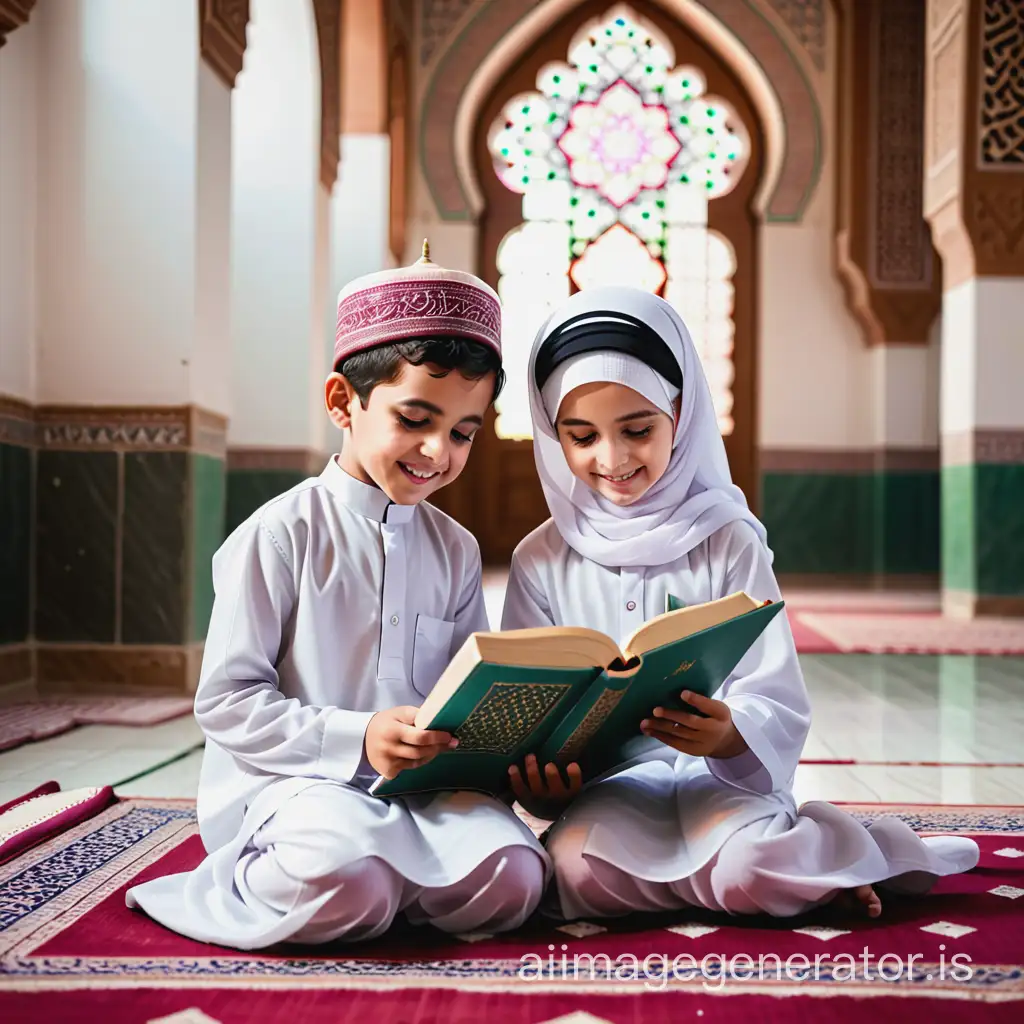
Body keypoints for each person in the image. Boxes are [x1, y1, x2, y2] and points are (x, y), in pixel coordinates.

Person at [502, 285, 978, 922]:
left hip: (719, 775)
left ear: (683, 413)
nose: (611, 459)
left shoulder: (726, 540)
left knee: (751, 870)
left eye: (637, 430)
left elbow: (772, 688)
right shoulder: (541, 558)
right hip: (614, 787)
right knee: (568, 875)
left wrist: (729, 733)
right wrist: (545, 775)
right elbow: (527, 704)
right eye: (580, 436)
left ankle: (831, 848)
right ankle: (790, 879)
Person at [126, 244, 548, 949]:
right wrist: (359, 739)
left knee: (515, 876)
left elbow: (462, 693)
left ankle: (399, 885)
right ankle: (352, 884)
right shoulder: (278, 536)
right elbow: (227, 703)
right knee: (347, 873)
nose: (438, 452)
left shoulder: (456, 548)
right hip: (296, 787)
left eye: (463, 432)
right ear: (342, 402)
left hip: (421, 791)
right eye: (415, 420)